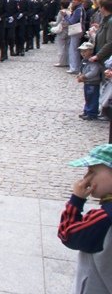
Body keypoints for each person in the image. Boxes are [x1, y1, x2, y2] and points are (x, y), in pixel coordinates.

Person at [58, 144, 112, 293]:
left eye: (92, 172)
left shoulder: (104, 218)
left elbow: (67, 234)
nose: (86, 178)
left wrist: (76, 201)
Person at [78, 41, 104, 121]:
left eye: (85, 51)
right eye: (81, 51)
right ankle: (87, 111)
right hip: (87, 82)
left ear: (91, 51)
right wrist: (80, 74)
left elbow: (94, 71)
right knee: (87, 97)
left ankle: (92, 113)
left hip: (93, 83)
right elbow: (82, 69)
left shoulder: (93, 62)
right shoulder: (84, 61)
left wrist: (84, 76)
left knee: (92, 98)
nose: (82, 53)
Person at [67, 0, 87, 75]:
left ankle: (74, 67)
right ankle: (75, 67)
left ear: (79, 1)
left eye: (75, 0)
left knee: (73, 49)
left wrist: (65, 16)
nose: (73, 1)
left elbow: (72, 21)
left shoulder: (78, 9)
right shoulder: (79, 8)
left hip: (76, 30)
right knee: (74, 49)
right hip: (78, 30)